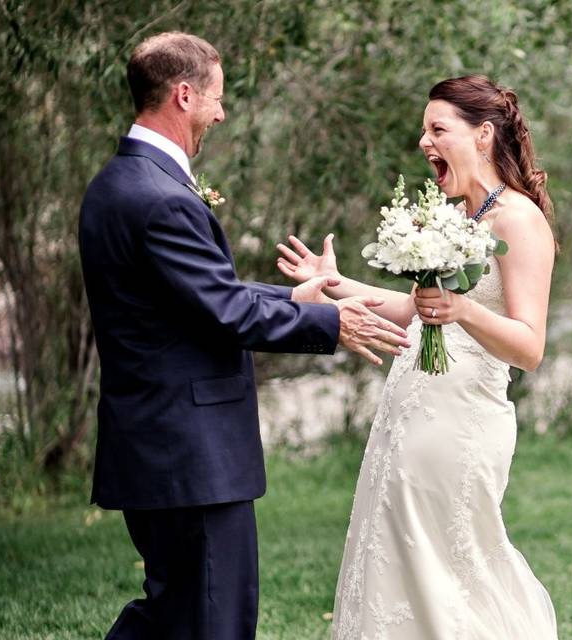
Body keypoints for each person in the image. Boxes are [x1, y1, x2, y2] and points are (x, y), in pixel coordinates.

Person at [78, 32, 409, 640]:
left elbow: (197, 297)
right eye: (216, 98)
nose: (222, 113)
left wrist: (292, 297)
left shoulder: (118, 184)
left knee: (176, 614)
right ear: (183, 95)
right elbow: (226, 312)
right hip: (189, 449)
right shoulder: (159, 198)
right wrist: (332, 323)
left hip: (159, 443)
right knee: (212, 621)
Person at [276, 75, 558, 639]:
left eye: (437, 129)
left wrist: (463, 311)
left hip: (464, 419)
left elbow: (529, 347)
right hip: (411, 408)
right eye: (423, 131)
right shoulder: (458, 217)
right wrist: (333, 284)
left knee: (456, 565)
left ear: (483, 134)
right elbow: (412, 309)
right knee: (395, 553)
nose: (424, 142)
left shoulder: (519, 220)